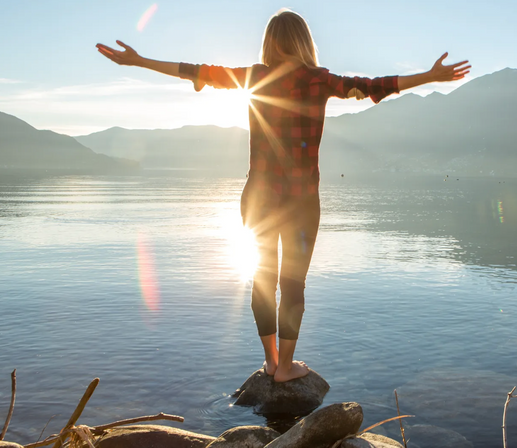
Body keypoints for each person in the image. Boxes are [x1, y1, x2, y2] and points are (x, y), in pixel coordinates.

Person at [97, 9, 470, 382]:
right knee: (293, 284)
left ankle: (272, 361)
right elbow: (374, 86)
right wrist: (430, 76)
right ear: (305, 41)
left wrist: (139, 60)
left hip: (257, 196)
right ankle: (287, 367)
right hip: (302, 201)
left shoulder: (255, 77)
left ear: (269, 42)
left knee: (262, 278)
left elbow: (195, 71)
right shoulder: (320, 80)